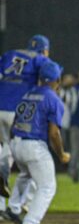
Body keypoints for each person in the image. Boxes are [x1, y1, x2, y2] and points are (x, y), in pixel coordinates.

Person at [5, 60, 70, 224]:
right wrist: (61, 154)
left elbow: (15, 122)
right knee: (48, 186)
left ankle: (13, 207)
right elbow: (54, 134)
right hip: (33, 145)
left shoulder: (28, 93)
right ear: (57, 79)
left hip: (17, 142)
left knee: (26, 175)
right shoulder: (53, 99)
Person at [0, 34, 50, 210]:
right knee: (25, 154)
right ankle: (22, 201)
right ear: (44, 50)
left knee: (5, 148)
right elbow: (49, 77)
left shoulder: (9, 54)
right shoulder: (40, 59)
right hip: (19, 110)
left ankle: (2, 206)